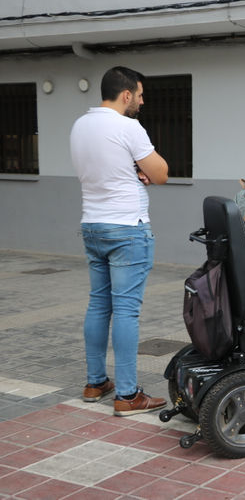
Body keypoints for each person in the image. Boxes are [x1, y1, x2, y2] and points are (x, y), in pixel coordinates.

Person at [69, 66, 169, 416]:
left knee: (98, 305)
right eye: (139, 95)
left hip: (92, 224)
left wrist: (130, 172)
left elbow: (102, 169)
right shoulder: (128, 126)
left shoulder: (80, 125)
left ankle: (95, 381)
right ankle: (128, 395)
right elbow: (161, 174)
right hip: (127, 228)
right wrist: (140, 172)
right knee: (126, 311)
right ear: (126, 95)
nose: (141, 101)